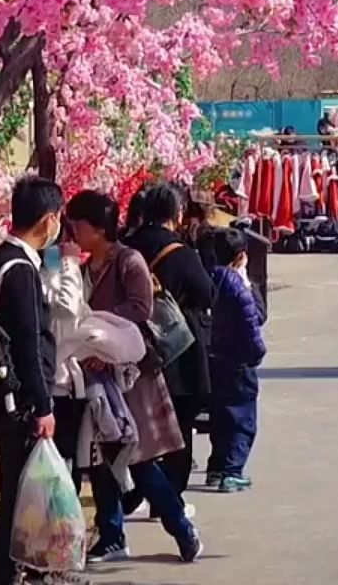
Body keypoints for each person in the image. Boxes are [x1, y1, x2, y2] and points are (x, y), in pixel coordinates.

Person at [66, 189, 202, 565]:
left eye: (76, 223)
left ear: (96, 228)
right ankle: (111, 535)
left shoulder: (130, 261)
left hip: (130, 376)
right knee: (100, 459)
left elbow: (140, 309)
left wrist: (99, 335)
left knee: (136, 459)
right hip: (96, 377)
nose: (71, 230)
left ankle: (180, 527)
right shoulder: (84, 267)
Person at [0, 178, 63, 585]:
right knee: (17, 493)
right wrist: (44, 405)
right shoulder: (21, 271)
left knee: (16, 490)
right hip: (21, 403)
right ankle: (7, 571)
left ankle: (21, 568)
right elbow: (29, 343)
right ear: (49, 220)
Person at [123, 182, 212, 500]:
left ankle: (135, 491)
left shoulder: (125, 245)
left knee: (135, 421)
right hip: (176, 352)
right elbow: (205, 293)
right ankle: (170, 496)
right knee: (178, 427)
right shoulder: (182, 253)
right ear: (177, 213)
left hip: (131, 346)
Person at [205, 227, 266, 492]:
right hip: (239, 361)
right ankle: (233, 470)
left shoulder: (207, 278)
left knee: (220, 417)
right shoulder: (239, 287)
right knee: (243, 420)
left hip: (214, 359)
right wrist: (257, 353)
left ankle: (216, 468)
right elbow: (255, 319)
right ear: (241, 256)